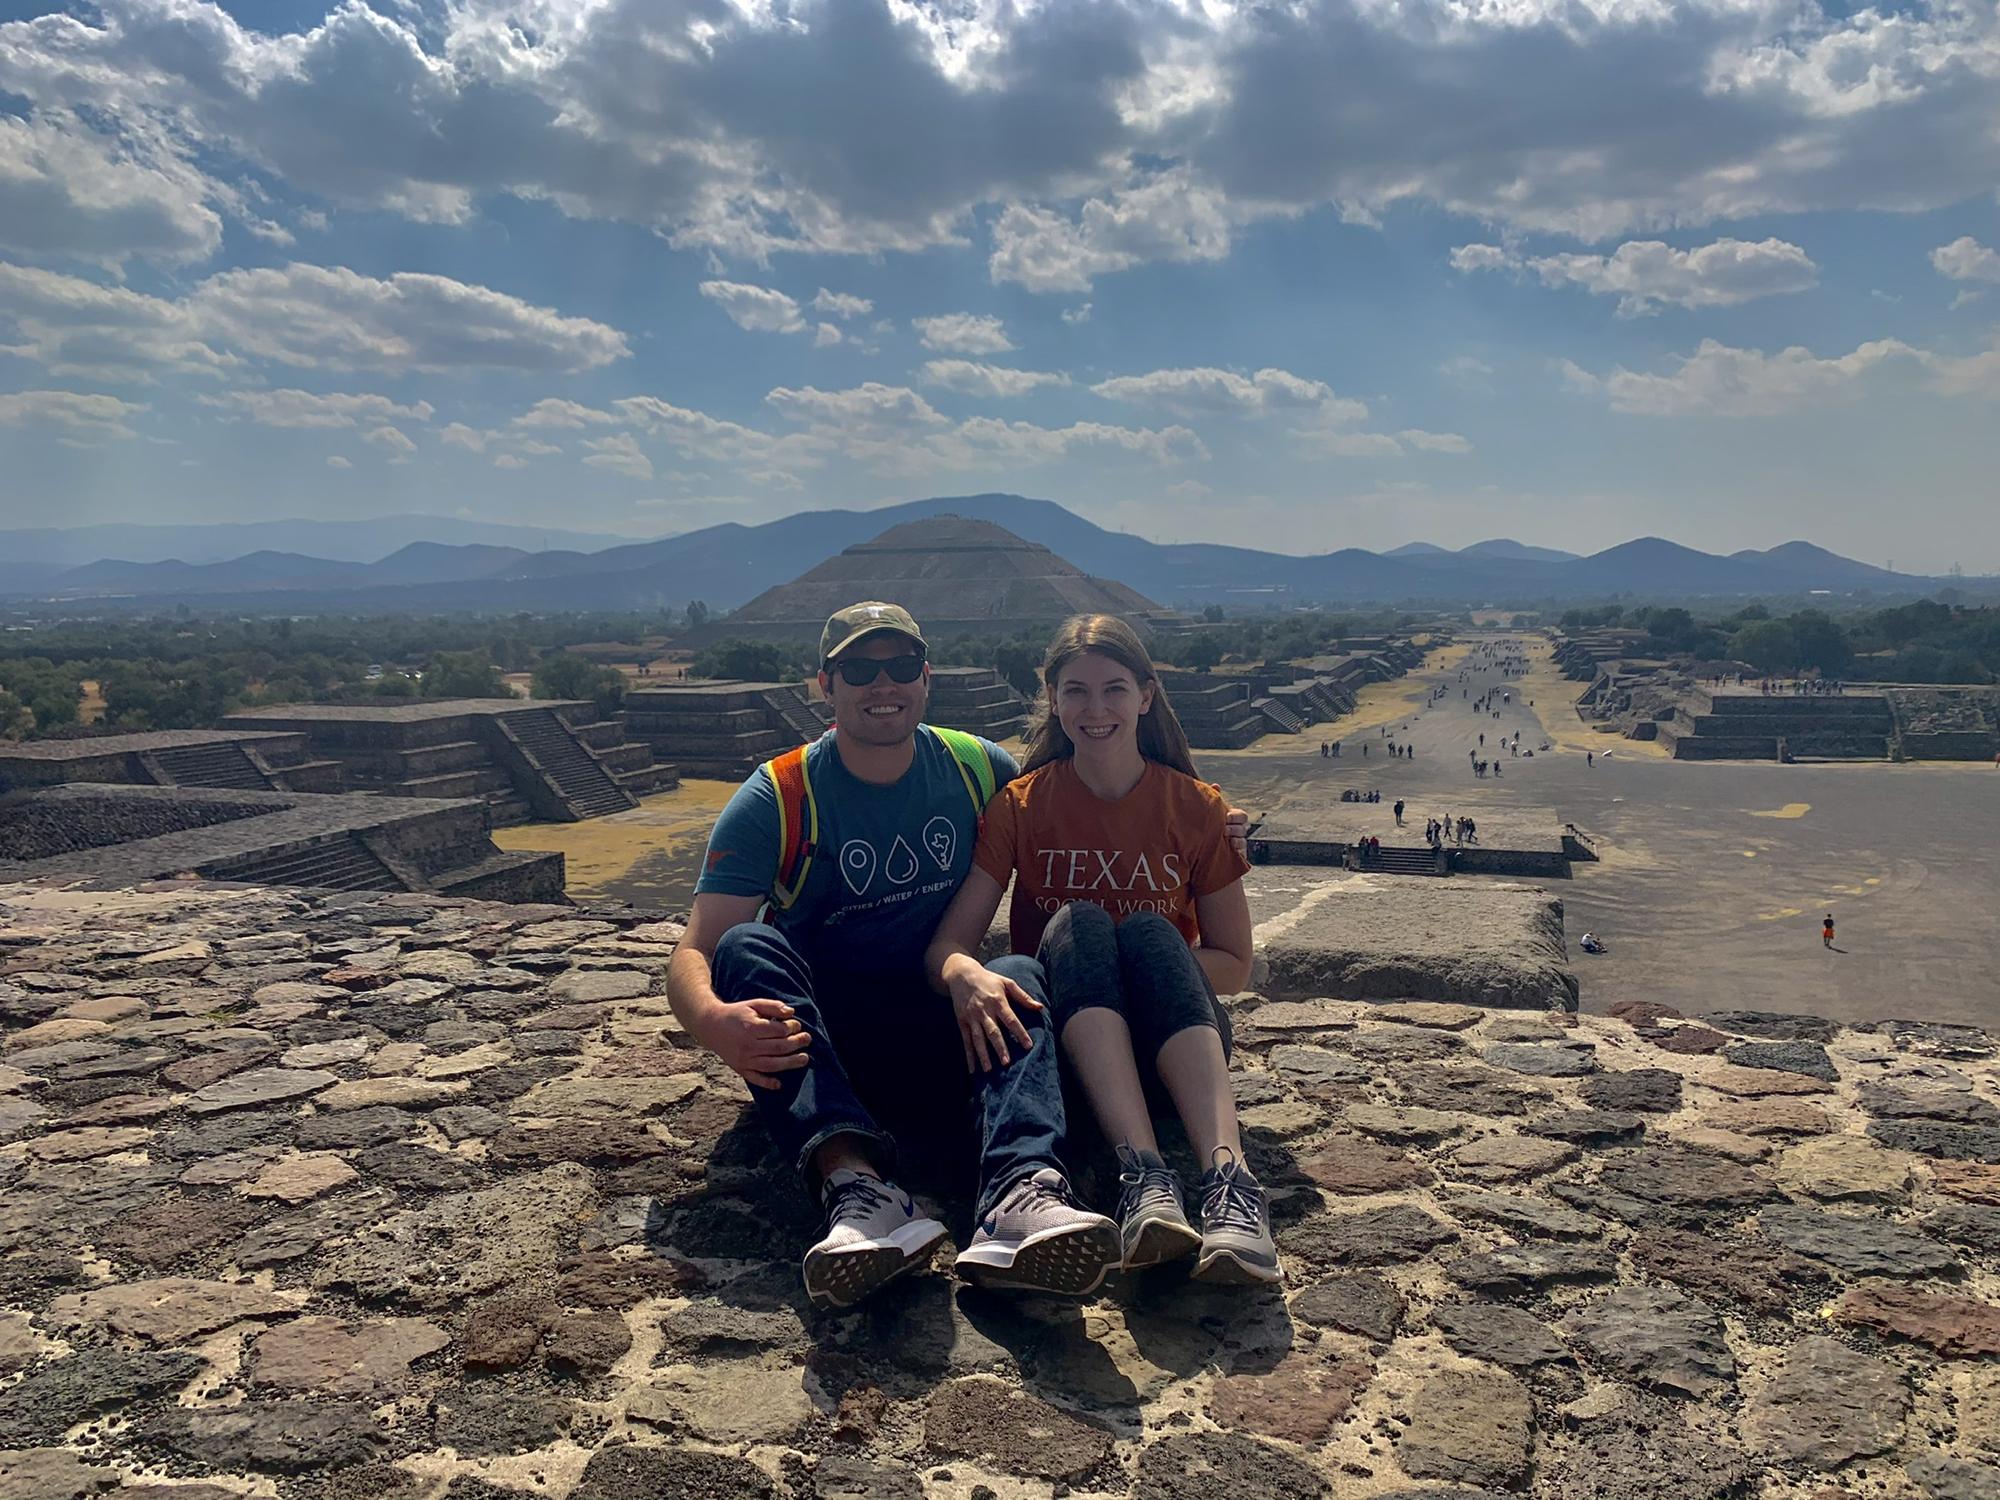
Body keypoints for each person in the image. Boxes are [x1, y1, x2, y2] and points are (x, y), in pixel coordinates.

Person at [669, 603, 1203, 1310]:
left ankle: (1020, 1195)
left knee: (1014, 974)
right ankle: (857, 1190)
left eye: (899, 667)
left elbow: (1094, 779)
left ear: (926, 679)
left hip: (950, 1033)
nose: (881, 684)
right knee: (746, 946)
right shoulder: (779, 795)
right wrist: (711, 1021)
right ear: (823, 684)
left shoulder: (978, 768)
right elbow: (695, 948)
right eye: (860, 669)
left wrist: (1210, 819)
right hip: (828, 1049)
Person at [926, 615, 1279, 1285]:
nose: (1095, 710)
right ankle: (1143, 1179)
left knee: (1142, 935)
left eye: (1114, 690)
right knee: (1046, 946)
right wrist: (963, 973)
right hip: (1061, 1057)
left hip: (1170, 1048)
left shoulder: (1198, 809)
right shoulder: (1021, 806)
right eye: (1076, 691)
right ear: (1052, 698)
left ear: (1146, 696)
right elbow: (950, 943)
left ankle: (1229, 1182)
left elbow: (1232, 964)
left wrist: (1125, 970)